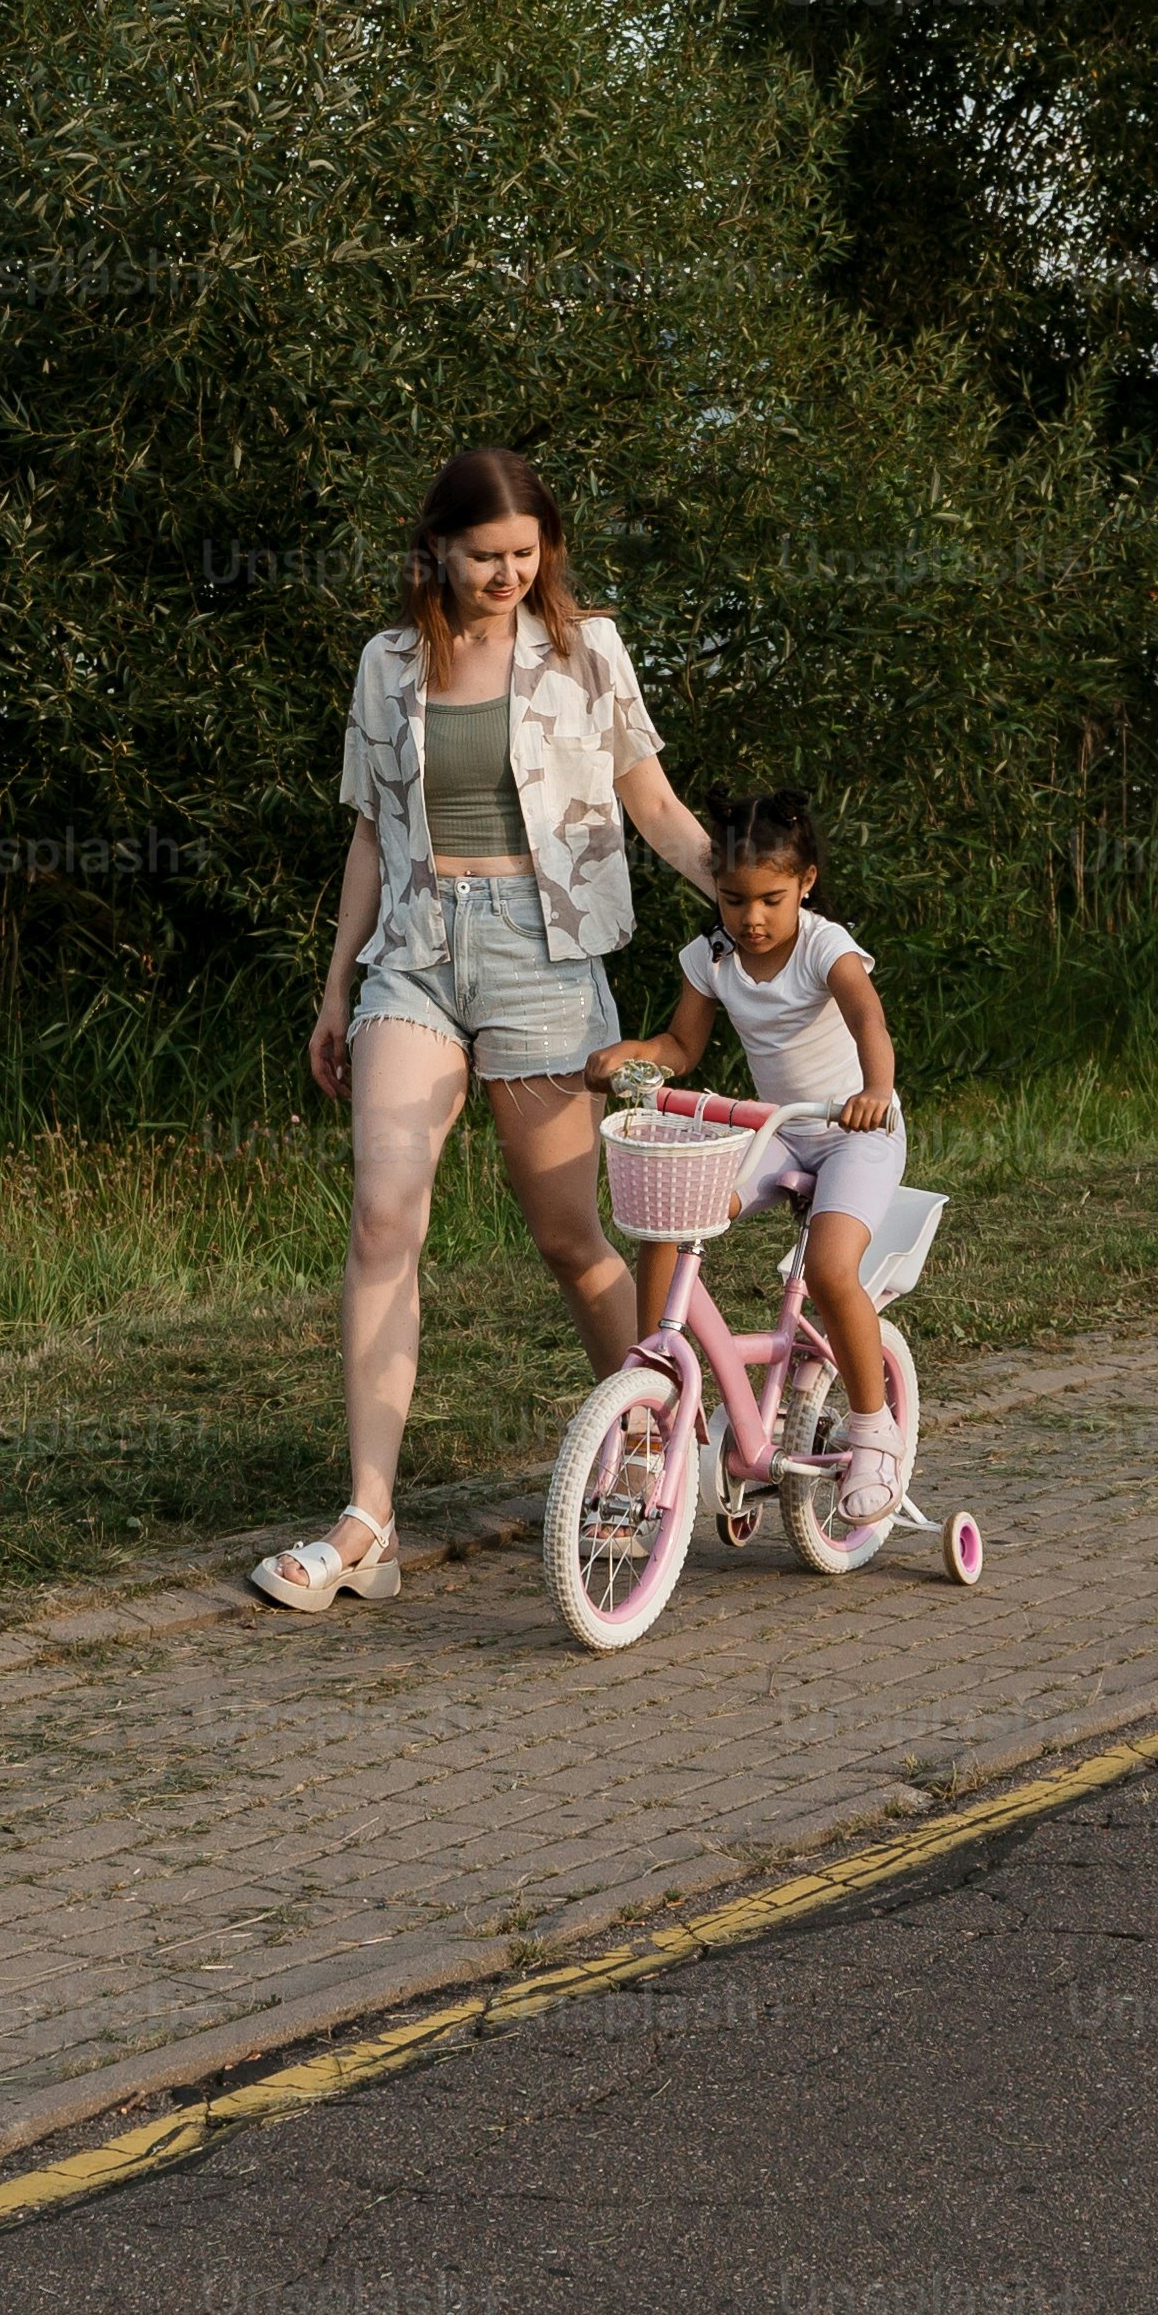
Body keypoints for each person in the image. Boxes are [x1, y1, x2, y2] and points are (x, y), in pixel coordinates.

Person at [258, 446, 725, 1611]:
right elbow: (370, 834)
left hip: (541, 956)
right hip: (414, 955)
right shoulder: (388, 663)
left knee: (568, 1237)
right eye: (485, 556)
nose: (509, 573)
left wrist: (747, 898)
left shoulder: (586, 650)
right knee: (382, 1217)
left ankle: (652, 1440)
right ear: (436, 549)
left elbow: (651, 802)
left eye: (526, 553)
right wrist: (335, 989)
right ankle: (368, 1520)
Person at [596, 786, 914, 1529]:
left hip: (855, 1133)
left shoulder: (824, 947)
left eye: (771, 899)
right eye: (734, 900)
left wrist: (875, 1090)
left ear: (805, 884)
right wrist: (632, 1056)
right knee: (670, 1220)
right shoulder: (713, 957)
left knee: (831, 1270)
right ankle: (656, 1392)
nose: (752, 919)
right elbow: (681, 1047)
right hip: (780, 1132)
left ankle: (873, 1429)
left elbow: (867, 1018)